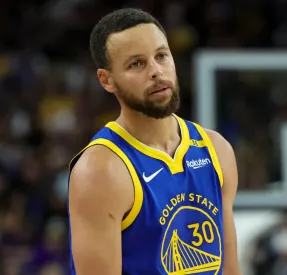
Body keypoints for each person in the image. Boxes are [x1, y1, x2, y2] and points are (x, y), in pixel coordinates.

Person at [67, 8, 240, 275]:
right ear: (107, 80)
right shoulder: (101, 172)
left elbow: (229, 269)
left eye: (161, 56)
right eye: (136, 64)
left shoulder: (217, 149)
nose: (156, 71)